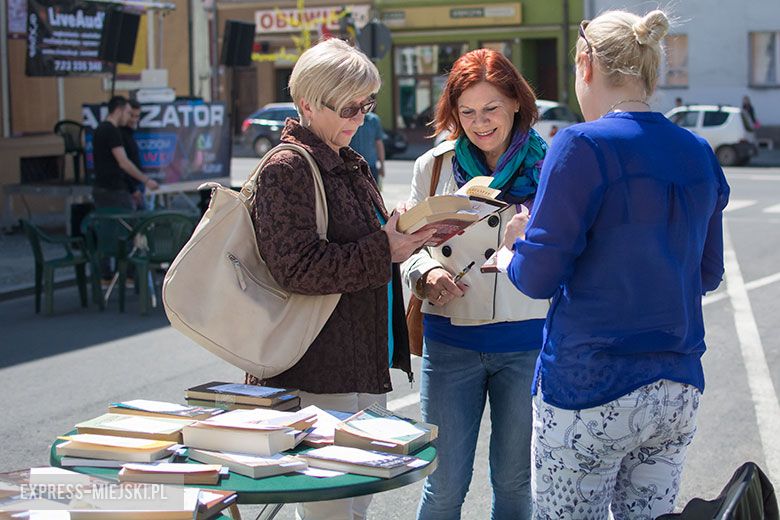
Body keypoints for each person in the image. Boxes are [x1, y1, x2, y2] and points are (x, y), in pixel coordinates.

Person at [503, 10, 729, 519]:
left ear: (585, 64)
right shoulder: (697, 150)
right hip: (676, 384)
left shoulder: (581, 144)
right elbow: (707, 273)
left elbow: (538, 277)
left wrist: (513, 249)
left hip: (590, 383)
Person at [244, 38, 434, 520]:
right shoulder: (286, 168)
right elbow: (297, 267)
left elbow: (351, 243)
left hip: (358, 363)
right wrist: (383, 248)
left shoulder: (347, 159)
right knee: (330, 510)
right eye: (349, 106)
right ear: (307, 103)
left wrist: (399, 229)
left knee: (355, 506)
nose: (360, 117)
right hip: (313, 370)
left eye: (368, 104)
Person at [401, 48, 550, 520]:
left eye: (491, 109)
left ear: (516, 105)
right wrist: (427, 272)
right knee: (442, 487)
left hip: (527, 340)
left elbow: (571, 250)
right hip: (450, 344)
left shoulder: (550, 166)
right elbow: (409, 244)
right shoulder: (435, 167)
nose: (479, 123)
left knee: (514, 484)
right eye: (467, 112)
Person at [92, 95, 158, 210]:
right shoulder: (112, 131)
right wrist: (146, 180)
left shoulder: (100, 129)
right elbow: (123, 162)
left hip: (101, 187)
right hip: (114, 190)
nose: (129, 117)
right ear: (119, 110)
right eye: (128, 113)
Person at [120, 99, 145, 210]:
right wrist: (133, 189)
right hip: (130, 188)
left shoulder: (130, 133)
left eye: (137, 116)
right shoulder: (120, 134)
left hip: (136, 185)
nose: (134, 120)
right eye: (131, 115)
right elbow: (123, 165)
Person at [350, 110, 387, 185]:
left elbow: (379, 143)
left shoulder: (373, 120)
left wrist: (382, 165)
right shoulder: (349, 119)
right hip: (352, 167)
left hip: (371, 166)